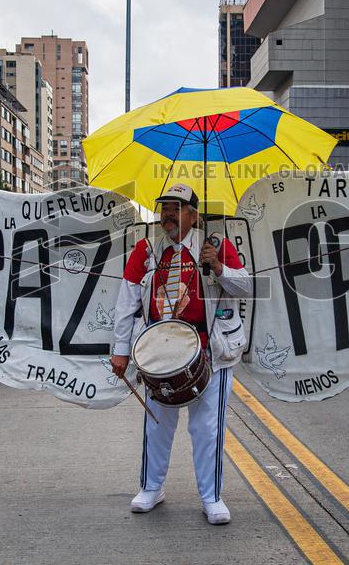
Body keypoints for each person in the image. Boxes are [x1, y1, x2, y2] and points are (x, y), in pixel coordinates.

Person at [110, 184, 252, 525]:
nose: (168, 214)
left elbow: (247, 287)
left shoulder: (216, 245)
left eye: (176, 207)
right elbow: (126, 301)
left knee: (207, 430)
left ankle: (211, 497)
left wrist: (218, 267)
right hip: (159, 355)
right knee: (157, 426)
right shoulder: (146, 250)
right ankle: (151, 487)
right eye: (164, 208)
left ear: (193, 213)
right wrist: (120, 352)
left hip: (210, 352)